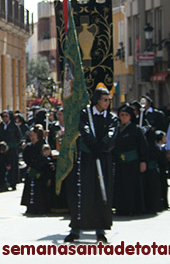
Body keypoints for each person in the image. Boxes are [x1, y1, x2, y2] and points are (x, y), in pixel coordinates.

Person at [64, 88, 117, 243]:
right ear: (97, 100)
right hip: (87, 158)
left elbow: (112, 132)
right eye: (104, 99)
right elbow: (84, 128)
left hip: (103, 157)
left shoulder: (111, 118)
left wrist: (103, 145)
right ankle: (76, 229)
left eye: (108, 99)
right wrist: (93, 144)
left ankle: (100, 230)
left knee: (102, 193)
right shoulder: (85, 114)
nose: (107, 102)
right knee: (83, 192)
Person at [112, 105, 148, 215]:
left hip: (132, 162)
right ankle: (121, 207)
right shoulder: (116, 129)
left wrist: (143, 161)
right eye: (121, 115)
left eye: (126, 115)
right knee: (120, 185)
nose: (123, 117)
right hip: (120, 162)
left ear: (130, 117)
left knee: (132, 186)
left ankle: (133, 208)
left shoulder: (136, 129)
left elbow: (143, 146)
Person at [0, 110, 22, 190]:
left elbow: (19, 137)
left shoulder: (14, 125)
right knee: (2, 166)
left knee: (13, 166)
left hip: (12, 149)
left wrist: (14, 144)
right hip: (2, 150)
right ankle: (3, 183)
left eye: (6, 116)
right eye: (3, 116)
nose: (5, 118)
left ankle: (13, 182)